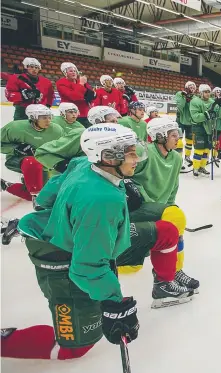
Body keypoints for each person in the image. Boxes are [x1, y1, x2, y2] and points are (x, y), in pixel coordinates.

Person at [0, 124, 193, 362]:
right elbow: (86, 267)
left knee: (166, 232)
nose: (137, 158)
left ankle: (164, 286)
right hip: (63, 256)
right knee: (73, 347)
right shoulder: (102, 201)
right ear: (108, 156)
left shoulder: (85, 164)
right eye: (130, 153)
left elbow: (49, 193)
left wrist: (55, 208)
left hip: (92, 240)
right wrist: (115, 303)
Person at [119, 118, 199, 291]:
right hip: (139, 207)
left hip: (159, 208)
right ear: (160, 136)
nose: (178, 138)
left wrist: (170, 206)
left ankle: (175, 271)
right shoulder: (145, 152)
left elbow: (173, 187)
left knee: (175, 228)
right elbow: (124, 173)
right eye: (173, 135)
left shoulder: (177, 158)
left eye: (177, 134)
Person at [0, 104, 63, 205]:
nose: (48, 121)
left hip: (43, 165)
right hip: (18, 161)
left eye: (49, 117)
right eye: (43, 118)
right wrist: (15, 149)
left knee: (41, 194)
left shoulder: (56, 130)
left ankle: (5, 185)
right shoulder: (15, 128)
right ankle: (36, 196)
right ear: (33, 118)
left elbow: (62, 147)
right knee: (32, 162)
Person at [35, 106, 121, 174]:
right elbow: (42, 152)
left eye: (116, 121)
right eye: (112, 121)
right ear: (98, 121)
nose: (116, 125)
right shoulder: (82, 135)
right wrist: (62, 165)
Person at [189, 84, 221, 177]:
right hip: (199, 128)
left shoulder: (212, 101)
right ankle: (196, 167)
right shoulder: (195, 101)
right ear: (201, 92)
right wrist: (206, 115)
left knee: (207, 149)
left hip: (209, 129)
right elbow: (195, 117)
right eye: (205, 92)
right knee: (199, 149)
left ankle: (202, 166)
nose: (207, 94)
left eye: (208, 92)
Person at [56, 62, 95, 128]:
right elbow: (74, 96)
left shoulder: (80, 81)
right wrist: (81, 84)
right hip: (70, 114)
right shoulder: (61, 83)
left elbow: (91, 95)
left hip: (84, 113)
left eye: (75, 71)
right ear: (65, 73)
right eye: (71, 71)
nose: (74, 72)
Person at [175, 81, 197, 173]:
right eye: (190, 87)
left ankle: (187, 157)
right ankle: (178, 160)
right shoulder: (179, 94)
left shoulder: (195, 98)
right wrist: (184, 97)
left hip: (190, 123)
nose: (192, 89)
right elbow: (180, 107)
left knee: (189, 141)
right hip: (180, 121)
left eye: (193, 87)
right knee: (179, 141)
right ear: (186, 87)